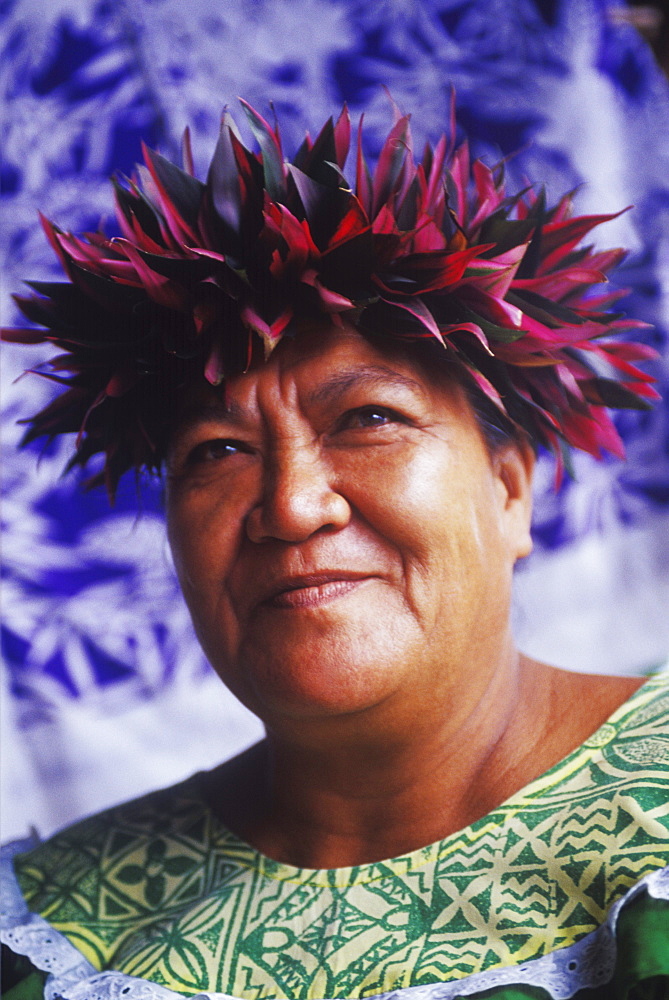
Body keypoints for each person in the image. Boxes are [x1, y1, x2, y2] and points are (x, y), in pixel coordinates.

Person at [1, 100, 667, 1000]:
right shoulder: (55, 932)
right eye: (218, 452)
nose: (291, 505)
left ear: (509, 489)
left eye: (369, 419)